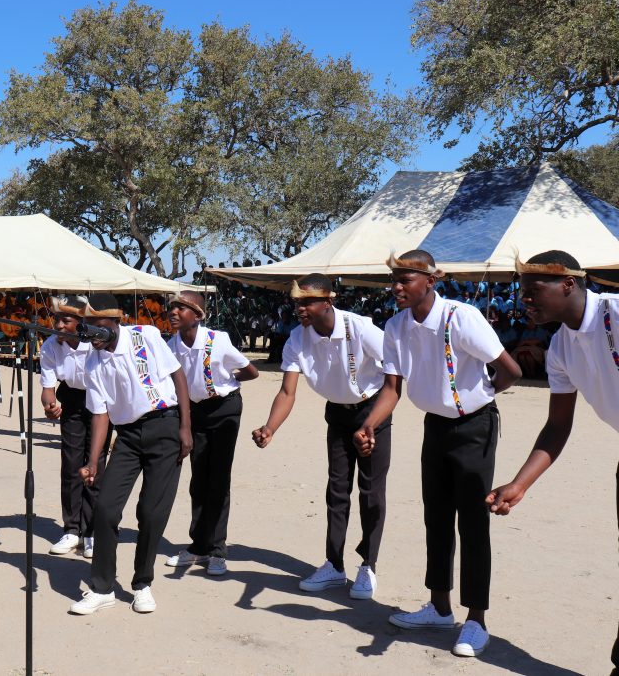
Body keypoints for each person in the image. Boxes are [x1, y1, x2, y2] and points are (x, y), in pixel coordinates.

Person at [352, 250, 521, 658]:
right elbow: (392, 388)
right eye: (394, 278)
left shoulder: (460, 318)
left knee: (474, 522)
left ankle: (476, 620)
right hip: (436, 428)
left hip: (474, 427)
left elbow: (510, 370)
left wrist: (476, 399)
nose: (396, 286)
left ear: (431, 280)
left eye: (406, 278)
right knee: (437, 518)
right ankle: (440, 607)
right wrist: (369, 424)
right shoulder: (395, 326)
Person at [485, 251, 619, 673]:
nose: (525, 300)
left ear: (568, 285)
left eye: (533, 291)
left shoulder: (615, 312)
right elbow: (557, 426)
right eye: (522, 293)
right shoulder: (560, 346)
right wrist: (520, 484)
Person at [252, 274, 389, 600]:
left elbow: (395, 375)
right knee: (336, 490)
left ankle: (368, 566)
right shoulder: (298, 339)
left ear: (329, 300)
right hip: (338, 415)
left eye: (307, 301)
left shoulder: (360, 329)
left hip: (373, 411)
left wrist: (371, 423)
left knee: (371, 492)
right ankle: (334, 564)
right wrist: (270, 427)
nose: (300, 307)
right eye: (297, 301)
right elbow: (287, 392)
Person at [68, 294, 193, 615]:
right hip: (127, 437)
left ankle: (142, 584)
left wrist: (185, 426)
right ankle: (102, 588)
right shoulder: (92, 363)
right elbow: (100, 414)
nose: (92, 333)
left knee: (151, 513)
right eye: (87, 327)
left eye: (98, 326)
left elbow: (178, 375)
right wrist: (94, 460)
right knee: (106, 510)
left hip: (165, 427)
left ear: (114, 322)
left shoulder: (146, 336)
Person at [164, 290, 258, 577]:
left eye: (181, 308)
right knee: (198, 479)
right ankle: (198, 546)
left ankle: (217, 550)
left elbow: (251, 372)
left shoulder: (219, 341)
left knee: (218, 478)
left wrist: (226, 380)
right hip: (195, 412)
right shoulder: (171, 345)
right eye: (172, 308)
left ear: (197, 315)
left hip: (224, 409)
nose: (174, 312)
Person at [40, 294, 109, 559]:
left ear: (81, 323)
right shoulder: (50, 346)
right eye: (56, 319)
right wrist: (50, 404)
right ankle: (71, 529)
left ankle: (91, 532)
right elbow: (48, 388)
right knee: (70, 463)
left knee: (95, 464)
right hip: (71, 398)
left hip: (101, 400)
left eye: (65, 320)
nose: (58, 325)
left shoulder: (97, 344)